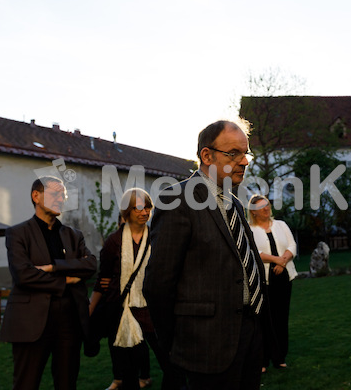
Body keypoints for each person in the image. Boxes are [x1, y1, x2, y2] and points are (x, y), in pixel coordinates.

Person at [143, 120, 266, 390]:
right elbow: (158, 284)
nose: (244, 161)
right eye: (233, 153)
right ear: (206, 156)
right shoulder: (177, 199)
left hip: (249, 336)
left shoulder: (234, 202)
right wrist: (176, 345)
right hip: (206, 346)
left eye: (246, 153)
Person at [0, 176, 97, 390]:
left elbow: (90, 265)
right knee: (26, 384)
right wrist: (67, 280)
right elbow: (23, 275)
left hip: (70, 322)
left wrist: (54, 267)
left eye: (64, 195)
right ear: (36, 196)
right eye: (55, 194)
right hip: (31, 322)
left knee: (67, 383)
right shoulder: (17, 233)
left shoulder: (73, 235)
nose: (61, 199)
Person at [90, 188, 186, 390]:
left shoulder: (157, 237)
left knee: (171, 365)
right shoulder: (113, 242)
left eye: (148, 207)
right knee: (129, 371)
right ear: (127, 211)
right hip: (124, 311)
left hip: (153, 309)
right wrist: (90, 309)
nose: (145, 212)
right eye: (139, 208)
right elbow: (104, 278)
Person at [247, 194, 298, 373]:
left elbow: (292, 246)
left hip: (284, 278)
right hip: (263, 281)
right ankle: (263, 359)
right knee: (263, 320)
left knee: (281, 318)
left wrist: (282, 262)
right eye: (262, 207)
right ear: (253, 212)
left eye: (267, 205)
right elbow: (255, 252)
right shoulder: (250, 230)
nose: (267, 209)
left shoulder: (281, 225)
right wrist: (277, 260)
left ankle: (280, 357)